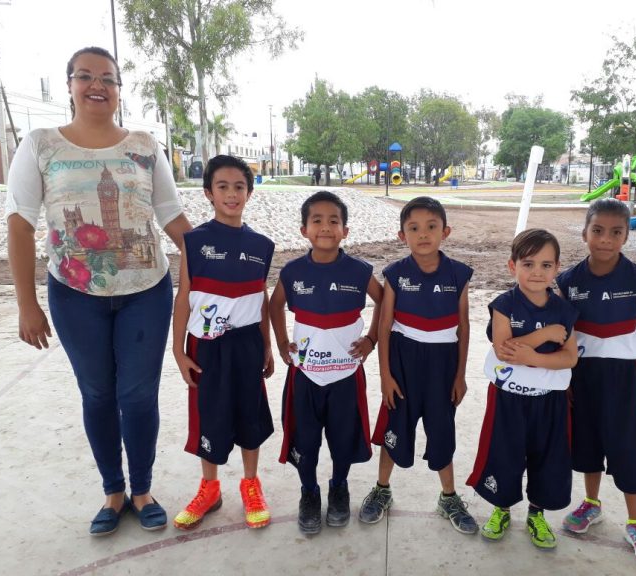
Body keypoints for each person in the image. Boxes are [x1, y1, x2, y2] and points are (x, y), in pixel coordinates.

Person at [5, 46, 191, 536]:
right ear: (69, 84)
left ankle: (143, 488)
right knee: (97, 394)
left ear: (118, 89)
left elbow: (171, 216)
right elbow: (20, 225)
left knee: (137, 395)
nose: (96, 86)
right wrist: (26, 303)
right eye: (85, 76)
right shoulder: (41, 145)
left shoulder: (145, 147)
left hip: (145, 291)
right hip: (74, 294)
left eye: (107, 78)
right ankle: (113, 491)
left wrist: (221, 260)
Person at [359, 196, 478, 535]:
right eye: (414, 228)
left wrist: (459, 375)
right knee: (394, 429)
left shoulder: (458, 273)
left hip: (443, 367)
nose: (423, 234)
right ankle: (382, 489)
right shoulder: (395, 274)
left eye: (431, 227)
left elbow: (464, 326)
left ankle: (449, 497)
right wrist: (385, 376)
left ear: (446, 232)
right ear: (402, 236)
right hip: (404, 364)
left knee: (442, 433)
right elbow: (384, 325)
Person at [557, 198, 636, 565]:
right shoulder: (568, 281)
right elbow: (563, 334)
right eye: (598, 231)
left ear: (626, 236)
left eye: (615, 232)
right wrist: (564, 376)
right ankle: (590, 503)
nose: (605, 239)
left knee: (629, 445)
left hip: (626, 374)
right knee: (588, 439)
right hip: (584, 373)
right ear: (585, 232)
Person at [270, 191, 383, 534]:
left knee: (343, 435)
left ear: (345, 231)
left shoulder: (360, 271)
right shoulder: (292, 272)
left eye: (334, 221)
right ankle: (309, 492)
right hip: (306, 375)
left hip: (345, 375)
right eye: (316, 220)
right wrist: (280, 342)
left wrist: (372, 339)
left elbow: (384, 302)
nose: (325, 227)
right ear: (304, 229)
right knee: (304, 439)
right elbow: (274, 306)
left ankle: (339, 486)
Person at [172, 155, 275, 531]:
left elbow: (258, 298)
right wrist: (178, 349)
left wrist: (265, 345)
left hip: (246, 344)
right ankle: (209, 488)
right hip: (206, 346)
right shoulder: (195, 242)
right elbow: (184, 296)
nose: (232, 194)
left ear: (249, 193)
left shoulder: (262, 245)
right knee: (208, 417)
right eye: (223, 187)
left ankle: (251, 484)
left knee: (250, 412)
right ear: (208, 193)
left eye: (239, 187)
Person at [466, 229, 578, 549]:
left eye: (546, 265)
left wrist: (532, 358)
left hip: (549, 401)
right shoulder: (504, 305)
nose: (536, 272)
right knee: (504, 455)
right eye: (528, 264)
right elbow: (503, 349)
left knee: (547, 457)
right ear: (511, 266)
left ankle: (536, 514)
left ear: (557, 268)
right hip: (508, 398)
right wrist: (542, 340)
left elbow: (569, 358)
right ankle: (501, 509)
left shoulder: (563, 311)